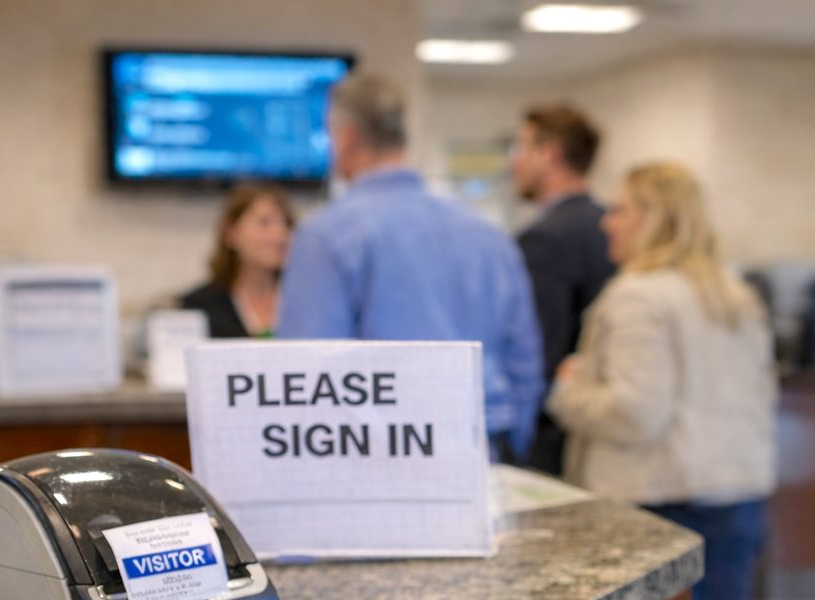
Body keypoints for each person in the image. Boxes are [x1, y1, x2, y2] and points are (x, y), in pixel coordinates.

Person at [546, 163, 776, 600]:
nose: (607, 223)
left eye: (621, 209)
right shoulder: (734, 292)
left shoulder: (637, 297)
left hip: (658, 504)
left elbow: (634, 414)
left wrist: (567, 388)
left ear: (653, 218)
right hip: (736, 494)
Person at [276, 72, 544, 462]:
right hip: (484, 446)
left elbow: (305, 374)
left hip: (376, 458)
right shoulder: (486, 232)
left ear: (347, 137)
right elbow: (524, 360)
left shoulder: (327, 236)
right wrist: (508, 444)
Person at [510, 103, 616, 475]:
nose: (514, 162)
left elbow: (539, 349)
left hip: (557, 437)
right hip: (600, 431)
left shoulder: (545, 239)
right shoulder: (612, 224)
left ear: (550, 153)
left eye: (521, 147)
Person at [180, 183, 295, 337]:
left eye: (286, 224)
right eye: (264, 223)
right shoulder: (198, 307)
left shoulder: (307, 300)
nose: (280, 235)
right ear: (231, 233)